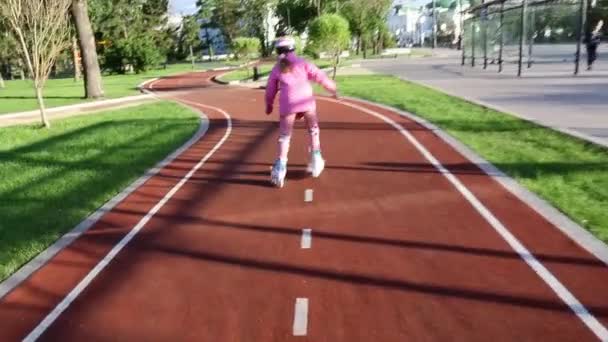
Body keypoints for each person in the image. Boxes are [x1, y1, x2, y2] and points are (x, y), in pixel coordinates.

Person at [265, 36, 338, 188]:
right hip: (306, 102)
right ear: (293, 49)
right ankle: (316, 160)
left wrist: (269, 105)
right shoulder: (303, 63)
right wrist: (332, 88)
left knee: (285, 137)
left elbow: (270, 89)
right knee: (313, 130)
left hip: (288, 105)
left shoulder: (277, 68)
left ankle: (280, 169)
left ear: (277, 51)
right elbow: (320, 76)